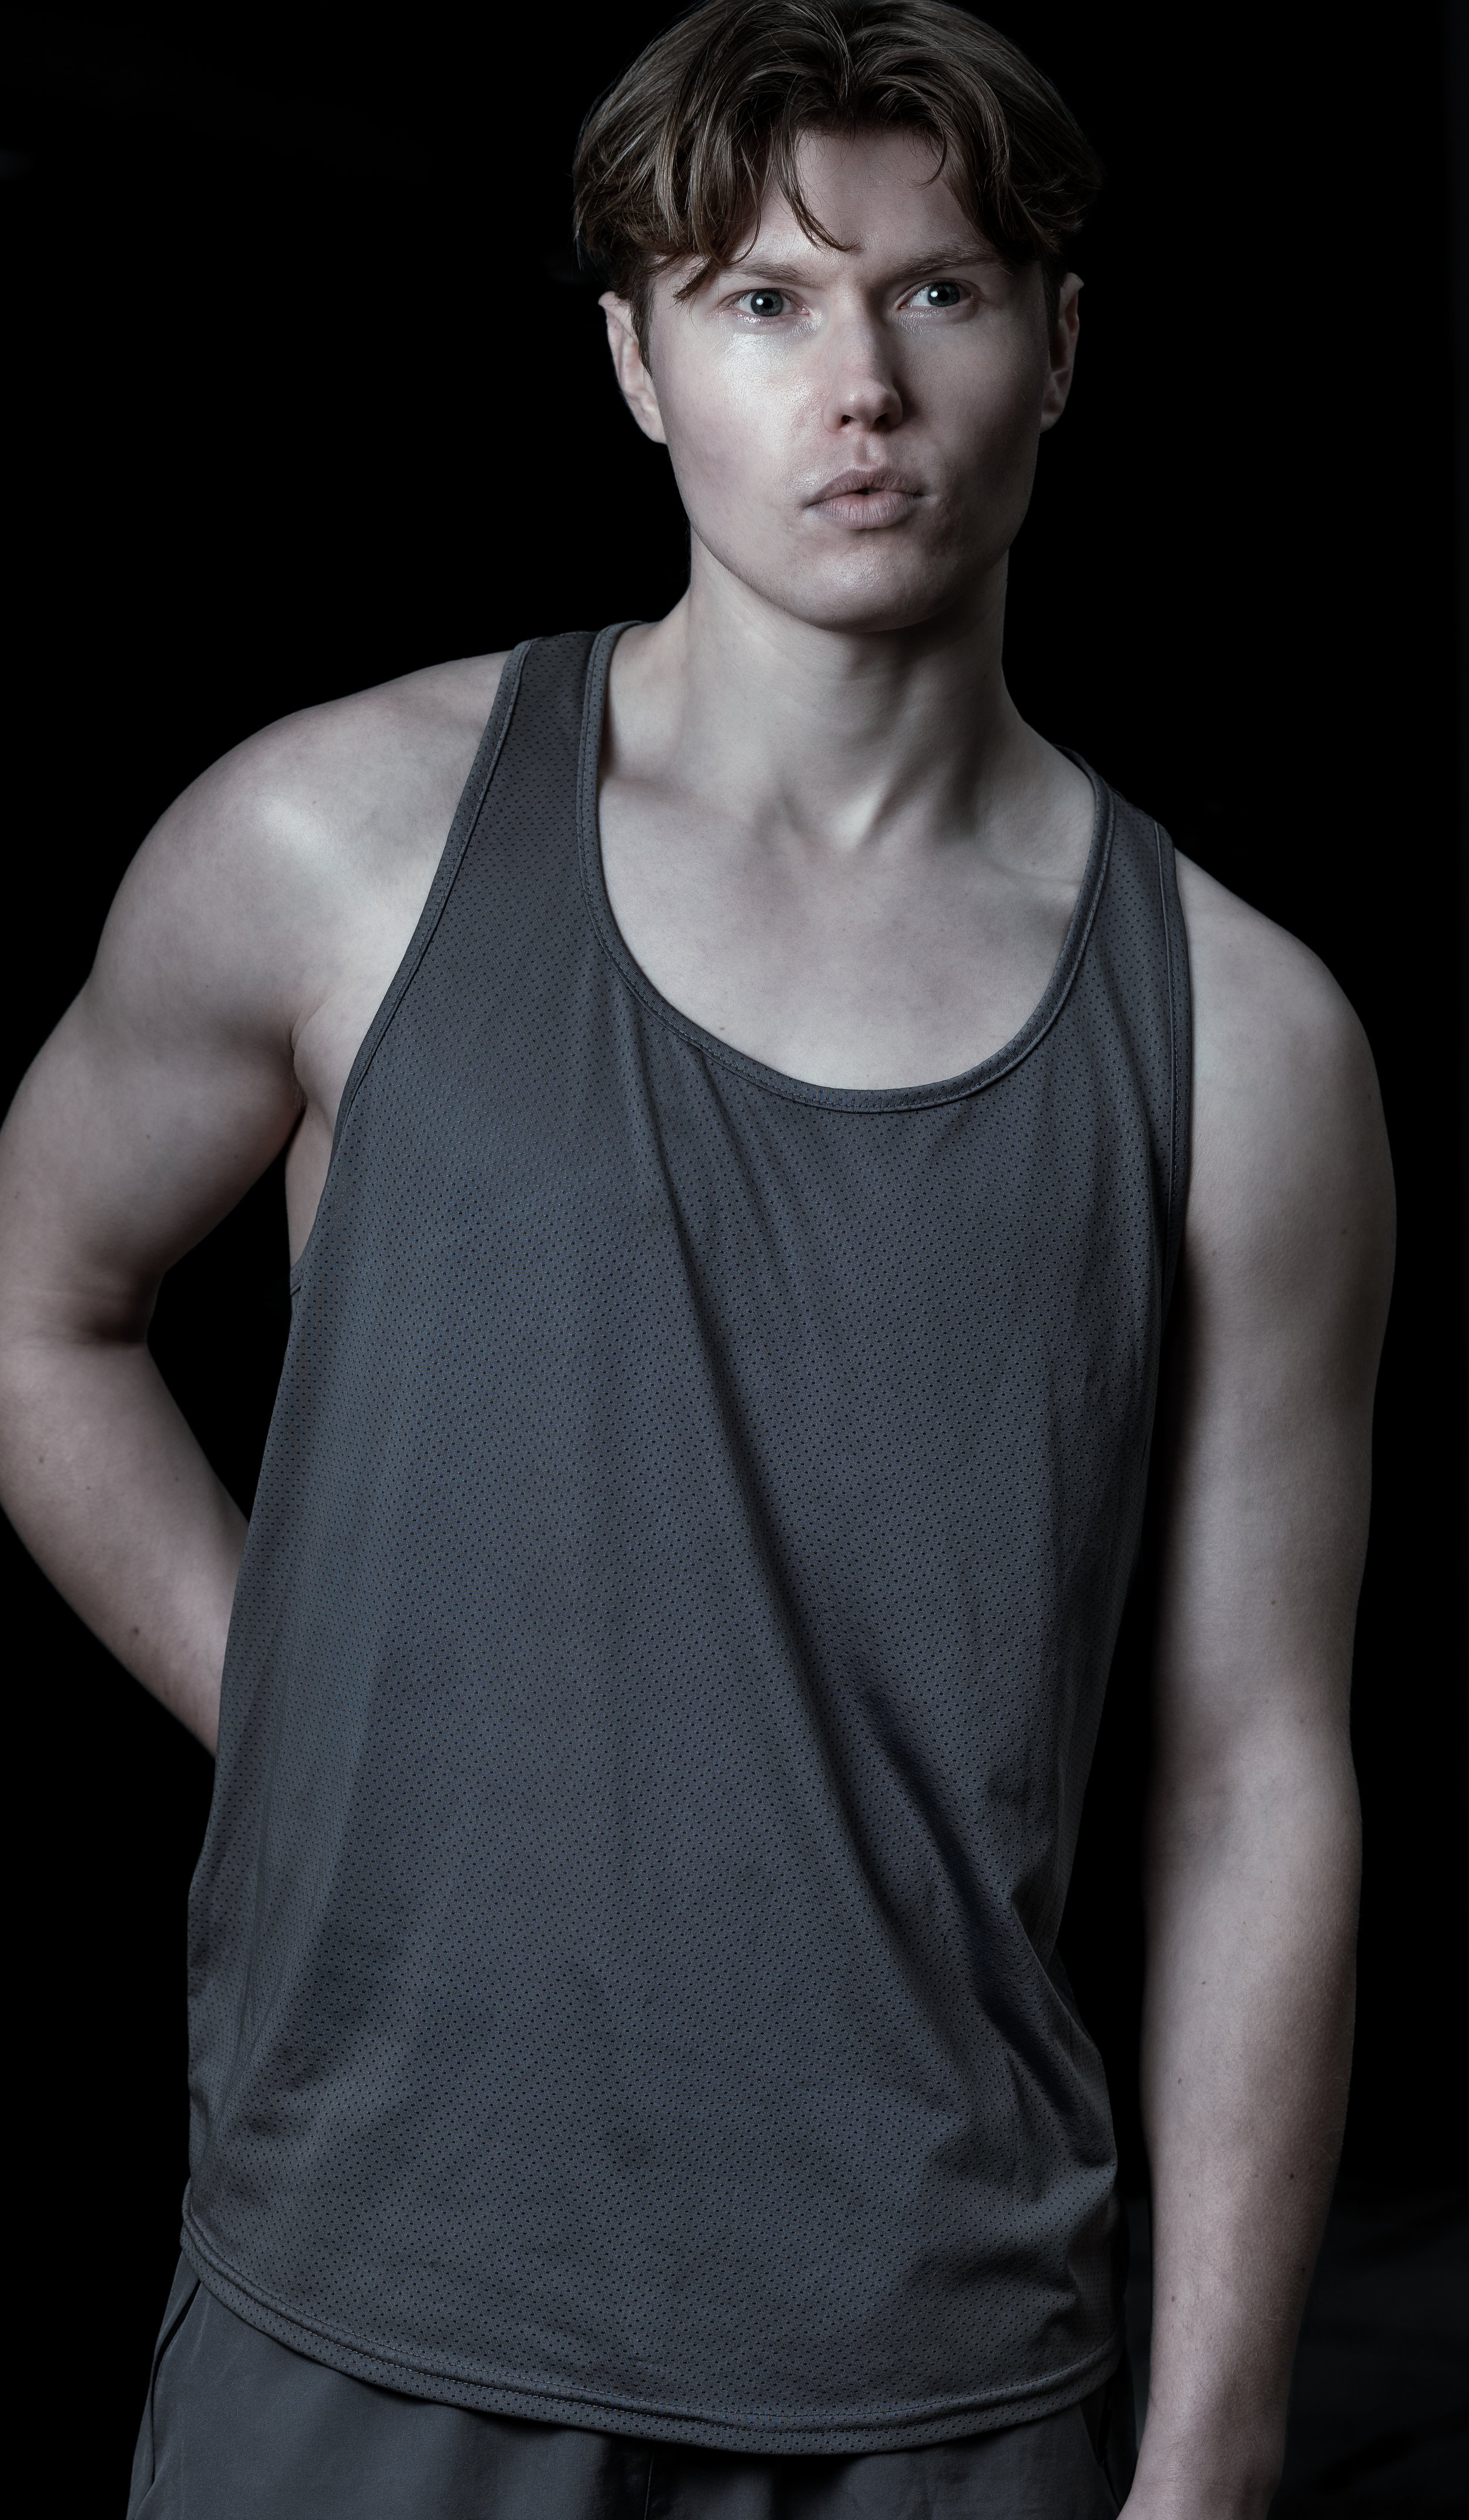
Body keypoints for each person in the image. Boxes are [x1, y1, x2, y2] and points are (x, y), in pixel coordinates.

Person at [0, 3, 1393, 2514]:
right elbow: (41, 1316)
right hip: (371, 2289)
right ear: (638, 364)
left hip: (934, 2363)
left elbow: (1250, 1774)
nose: (855, 379)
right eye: (759, 300)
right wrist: (310, 1710)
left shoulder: (1252, 1043)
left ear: (1060, 346)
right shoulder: (337, 844)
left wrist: (1207, 2455)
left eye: (939, 291)